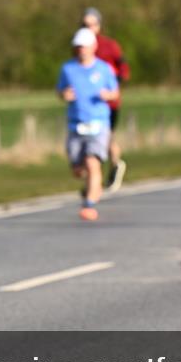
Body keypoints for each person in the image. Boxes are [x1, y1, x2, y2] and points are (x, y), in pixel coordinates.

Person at [57, 27, 119, 221]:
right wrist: (64, 95)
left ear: (93, 47)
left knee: (93, 163)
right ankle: (93, 186)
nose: (81, 50)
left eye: (84, 46)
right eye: (78, 47)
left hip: (98, 122)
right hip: (76, 123)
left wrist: (107, 95)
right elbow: (60, 91)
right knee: (78, 169)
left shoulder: (103, 69)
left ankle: (90, 204)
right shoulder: (68, 69)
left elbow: (115, 92)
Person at [82, 8, 130, 191]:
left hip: (108, 102)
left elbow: (124, 67)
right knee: (88, 137)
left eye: (91, 24)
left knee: (105, 134)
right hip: (88, 104)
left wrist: (113, 85)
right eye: (84, 25)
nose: (88, 28)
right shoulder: (80, 48)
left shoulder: (109, 45)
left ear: (99, 25)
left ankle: (115, 164)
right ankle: (94, 177)